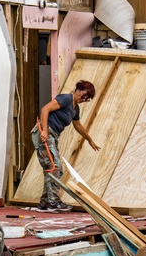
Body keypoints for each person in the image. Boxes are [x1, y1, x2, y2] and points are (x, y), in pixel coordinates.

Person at [33, 80, 101, 212]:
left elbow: (78, 125)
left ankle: (45, 203)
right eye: (83, 95)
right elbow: (45, 109)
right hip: (45, 133)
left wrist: (89, 139)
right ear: (78, 90)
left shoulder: (75, 108)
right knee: (55, 167)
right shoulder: (65, 99)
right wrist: (45, 130)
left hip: (53, 136)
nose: (83, 99)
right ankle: (53, 202)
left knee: (51, 167)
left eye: (87, 99)